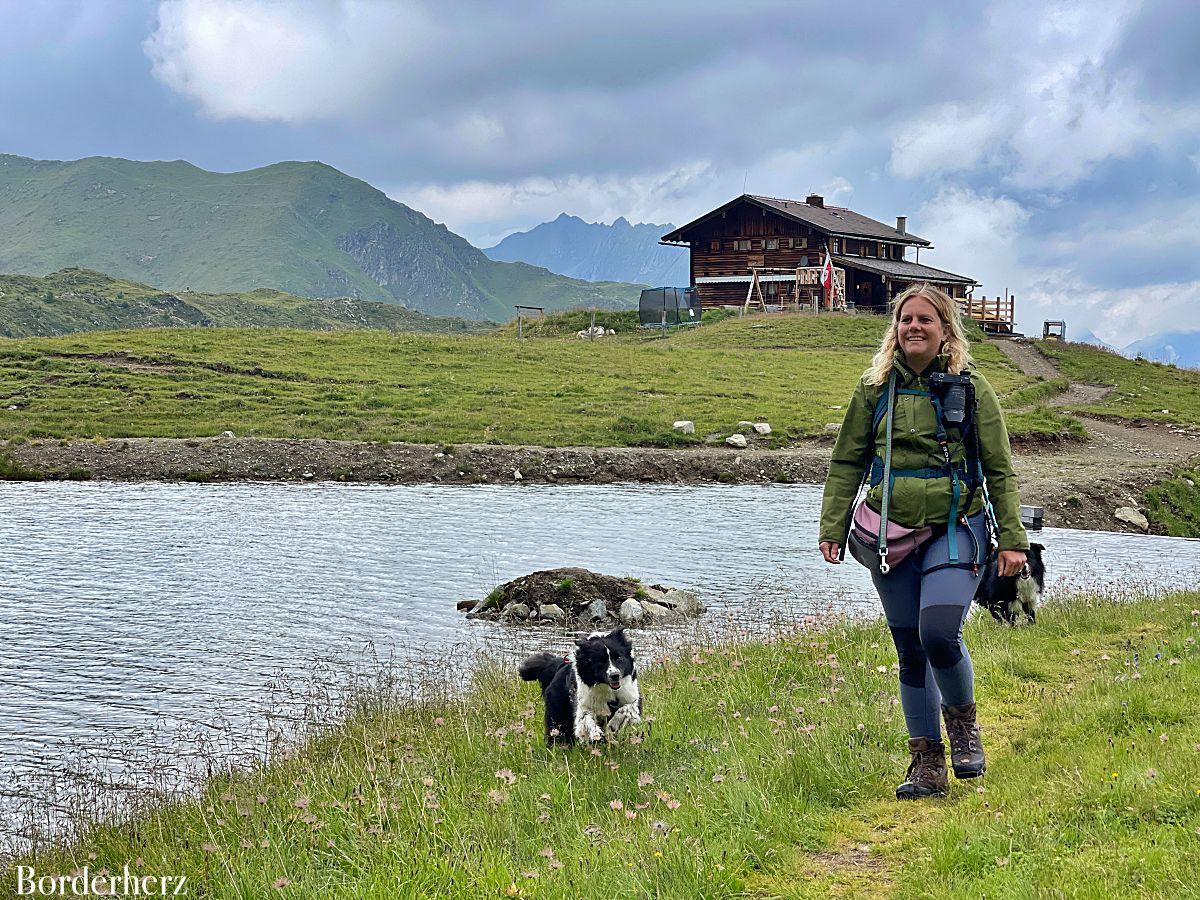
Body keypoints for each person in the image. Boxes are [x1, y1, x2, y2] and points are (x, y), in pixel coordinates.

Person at [818, 283, 1029, 799]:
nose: (914, 327)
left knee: (938, 633)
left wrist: (1012, 538)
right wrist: (832, 525)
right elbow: (848, 460)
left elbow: (999, 467)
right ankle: (926, 764)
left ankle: (963, 728)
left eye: (925, 320)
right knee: (910, 648)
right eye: (905, 319)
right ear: (895, 329)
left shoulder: (972, 388)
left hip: (958, 525)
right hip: (889, 532)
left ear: (945, 330)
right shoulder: (874, 388)